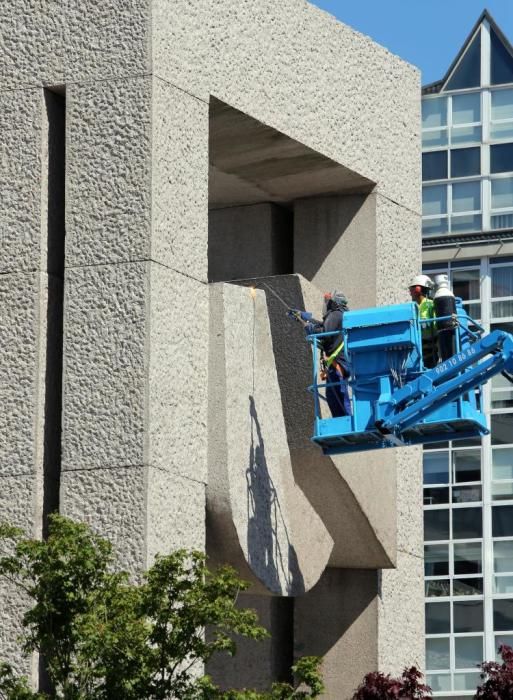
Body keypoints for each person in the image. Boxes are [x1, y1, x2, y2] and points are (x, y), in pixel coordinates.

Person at [290, 290, 351, 418]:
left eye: (327, 301)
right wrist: (303, 316)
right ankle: (343, 420)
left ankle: (345, 421)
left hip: (337, 365)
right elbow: (323, 325)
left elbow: (324, 332)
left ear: (334, 303)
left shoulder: (335, 314)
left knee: (337, 397)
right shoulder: (341, 315)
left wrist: (309, 328)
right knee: (335, 396)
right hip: (338, 365)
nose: (326, 304)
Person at [409, 274, 437, 368]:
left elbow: (436, 326)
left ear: (418, 289)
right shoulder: (412, 308)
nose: (410, 293)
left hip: (431, 348)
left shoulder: (431, 305)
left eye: (411, 290)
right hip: (418, 348)